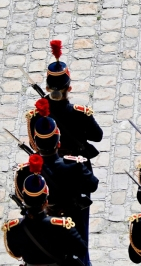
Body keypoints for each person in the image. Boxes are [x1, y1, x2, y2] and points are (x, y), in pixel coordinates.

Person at [15, 98, 99, 265]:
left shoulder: (26, 172)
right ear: (58, 142)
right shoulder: (74, 165)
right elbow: (93, 184)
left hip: (37, 220)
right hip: (72, 215)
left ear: (35, 142)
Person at [27, 40, 103, 171]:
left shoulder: (35, 116)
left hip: (49, 168)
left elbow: (34, 145)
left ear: (47, 88)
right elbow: (97, 136)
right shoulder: (81, 113)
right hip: (77, 166)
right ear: (69, 88)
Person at [3, 169, 88, 265]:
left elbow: (16, 253)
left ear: (24, 199)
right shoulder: (62, 226)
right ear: (46, 202)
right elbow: (82, 250)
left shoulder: (13, 227)